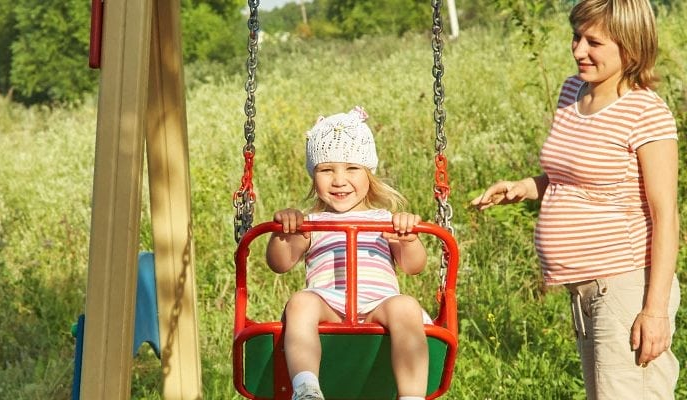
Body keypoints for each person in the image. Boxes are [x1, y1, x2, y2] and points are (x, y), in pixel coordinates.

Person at [470, 0, 680, 398]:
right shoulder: (572, 92)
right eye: (576, 37)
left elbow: (666, 215)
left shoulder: (645, 112)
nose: (578, 50)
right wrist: (525, 186)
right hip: (584, 292)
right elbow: (569, 176)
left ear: (630, 46)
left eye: (594, 42)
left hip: (625, 287)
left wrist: (654, 311)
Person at [266, 106, 430, 400]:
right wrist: (284, 233)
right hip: (329, 305)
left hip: (378, 306)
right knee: (301, 302)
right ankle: (305, 389)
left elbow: (414, 266)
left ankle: (412, 396)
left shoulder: (385, 220)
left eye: (352, 168)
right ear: (314, 177)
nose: (339, 180)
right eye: (326, 170)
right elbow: (280, 263)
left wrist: (408, 240)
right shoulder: (310, 223)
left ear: (369, 174)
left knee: (405, 306)